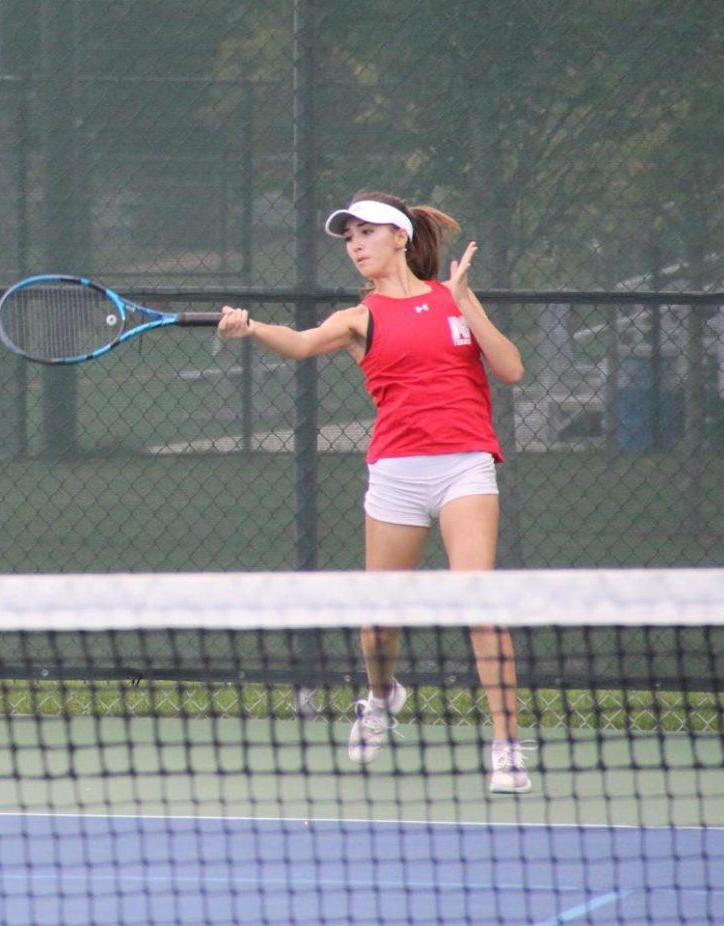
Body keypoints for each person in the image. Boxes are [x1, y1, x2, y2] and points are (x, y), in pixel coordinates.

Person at [216, 191, 532, 794]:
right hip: (396, 475)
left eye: (366, 233)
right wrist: (251, 327)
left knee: (480, 604)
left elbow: (512, 369)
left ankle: (507, 748)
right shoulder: (358, 318)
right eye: (349, 237)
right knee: (378, 626)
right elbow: (303, 342)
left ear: (399, 238)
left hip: (466, 466)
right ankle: (381, 699)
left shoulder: (454, 300)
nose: (355, 245)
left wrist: (467, 302)